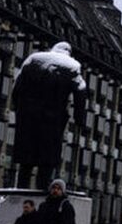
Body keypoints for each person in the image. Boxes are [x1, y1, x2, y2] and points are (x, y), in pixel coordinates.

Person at [10, 41, 86, 190]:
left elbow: (16, 87)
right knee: (47, 161)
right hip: (53, 121)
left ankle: (21, 190)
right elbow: (81, 91)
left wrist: (18, 108)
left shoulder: (32, 60)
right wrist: (79, 119)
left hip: (28, 119)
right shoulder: (71, 66)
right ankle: (41, 190)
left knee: (26, 161)